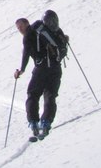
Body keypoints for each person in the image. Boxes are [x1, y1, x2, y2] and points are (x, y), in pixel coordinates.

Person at [13, 10, 69, 139]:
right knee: (50, 95)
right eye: (18, 28)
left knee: (33, 94)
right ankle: (46, 122)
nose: (20, 30)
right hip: (55, 68)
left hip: (41, 69)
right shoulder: (48, 30)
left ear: (27, 23)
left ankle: (33, 122)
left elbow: (26, 54)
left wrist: (21, 70)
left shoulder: (29, 34)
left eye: (21, 27)